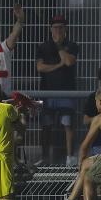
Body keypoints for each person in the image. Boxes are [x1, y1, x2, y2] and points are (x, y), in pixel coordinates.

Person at [37, 14, 79, 165]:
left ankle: (70, 157)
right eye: (55, 28)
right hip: (47, 91)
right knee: (46, 125)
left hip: (66, 91)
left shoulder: (72, 45)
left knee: (68, 123)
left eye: (61, 28)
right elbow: (40, 67)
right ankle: (44, 158)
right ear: (50, 29)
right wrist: (57, 66)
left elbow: (68, 62)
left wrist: (59, 47)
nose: (58, 31)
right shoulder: (43, 46)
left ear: (65, 29)